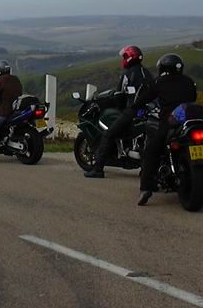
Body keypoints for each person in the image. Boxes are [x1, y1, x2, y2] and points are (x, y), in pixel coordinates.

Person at [133, 53, 197, 206]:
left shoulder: (159, 82)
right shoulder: (188, 81)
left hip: (170, 123)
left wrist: (135, 106)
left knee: (150, 152)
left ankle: (146, 189)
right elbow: (193, 97)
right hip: (191, 121)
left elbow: (143, 99)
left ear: (163, 68)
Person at [84, 45, 153, 178]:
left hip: (133, 111)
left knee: (108, 134)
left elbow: (119, 95)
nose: (123, 59)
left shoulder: (128, 74)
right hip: (149, 111)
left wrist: (120, 106)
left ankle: (98, 169)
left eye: (125, 56)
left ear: (130, 58)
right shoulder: (147, 73)